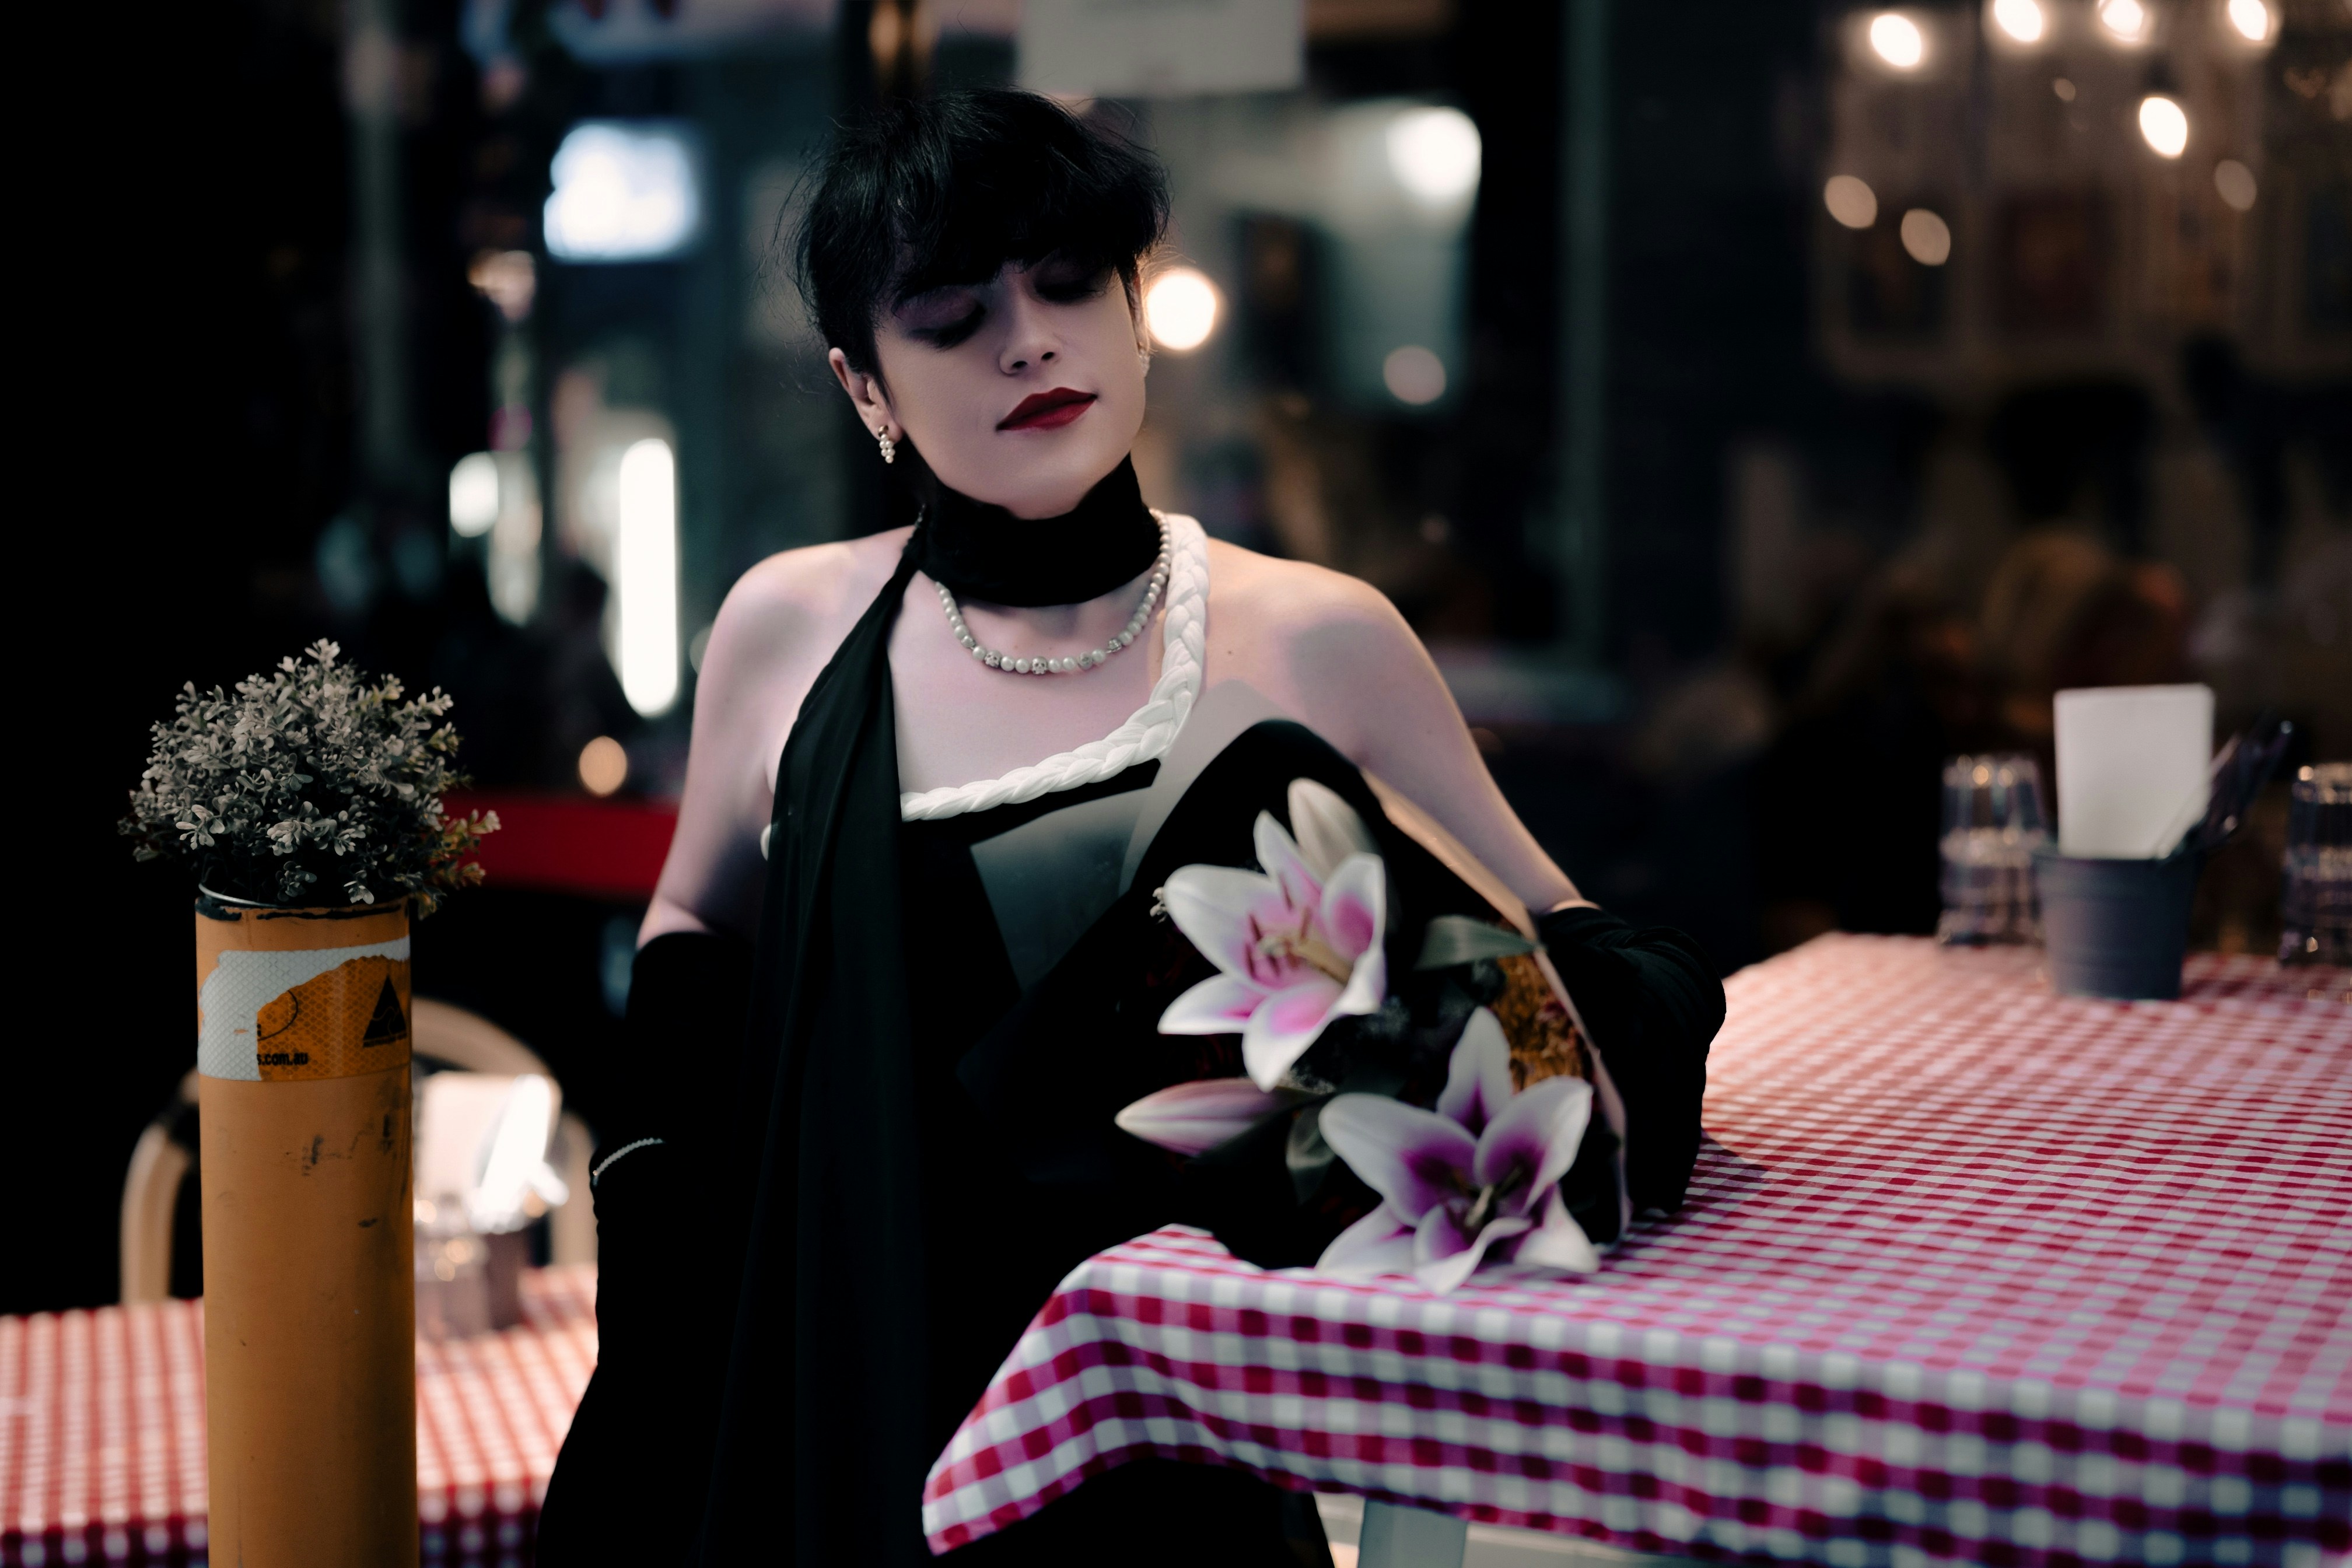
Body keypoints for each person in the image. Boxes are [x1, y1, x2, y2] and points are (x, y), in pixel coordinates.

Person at [537, 88, 1723, 1568]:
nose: (1029, 341)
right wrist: (665, 1241)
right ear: (866, 388)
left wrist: (1461, 1079)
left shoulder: (1318, 636)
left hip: (1179, 1442)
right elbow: (700, 923)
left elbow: (1580, 948)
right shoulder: (790, 628)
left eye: (1068, 282)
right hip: (842, 1390)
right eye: (952, 316)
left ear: (1136, 310)